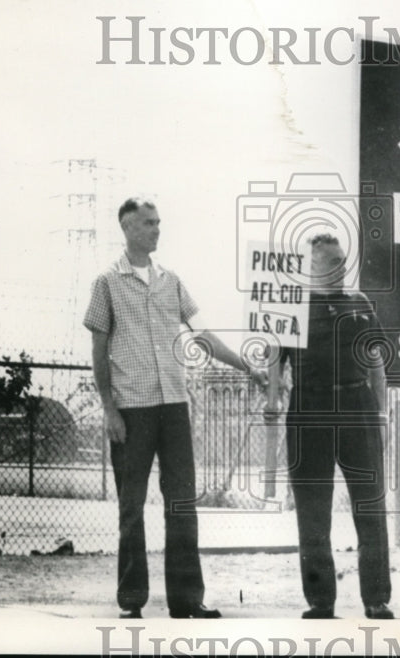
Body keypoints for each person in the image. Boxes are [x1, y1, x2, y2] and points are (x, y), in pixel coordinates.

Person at [84, 196, 267, 619]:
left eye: (159, 222)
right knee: (131, 506)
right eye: (148, 223)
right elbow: (97, 350)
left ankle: (187, 600)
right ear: (128, 227)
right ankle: (132, 601)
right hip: (132, 409)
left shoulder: (172, 281)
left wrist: (246, 366)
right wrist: (109, 409)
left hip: (174, 406)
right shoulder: (106, 284)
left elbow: (202, 335)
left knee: (181, 502)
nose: (156, 229)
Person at [268, 233, 395, 619]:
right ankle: (321, 602)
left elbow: (376, 364)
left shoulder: (360, 304)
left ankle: (376, 599)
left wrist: (383, 415)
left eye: (342, 260)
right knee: (312, 511)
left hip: (358, 407)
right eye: (331, 262)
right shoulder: (290, 308)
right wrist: (272, 399)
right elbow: (275, 360)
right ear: (311, 267)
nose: (340, 268)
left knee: (370, 506)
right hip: (309, 409)